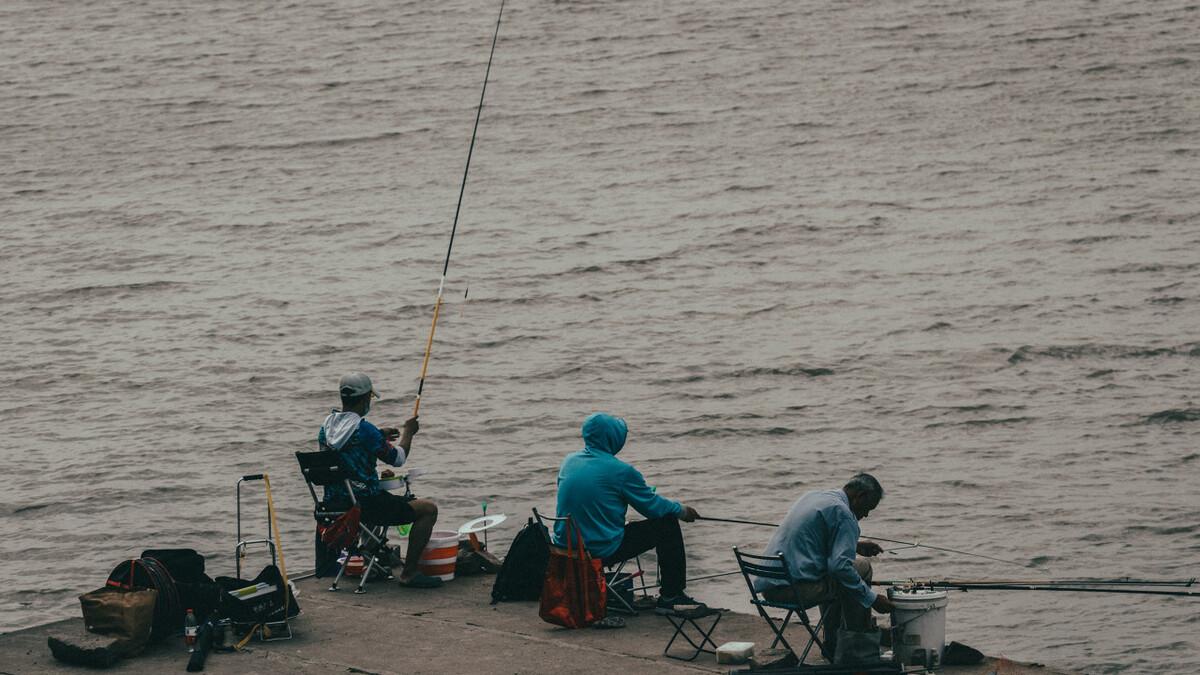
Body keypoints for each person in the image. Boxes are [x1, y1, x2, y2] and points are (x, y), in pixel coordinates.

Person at [554, 412, 704, 614]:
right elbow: (653, 508)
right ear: (612, 438)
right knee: (666, 524)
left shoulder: (569, 461)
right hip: (599, 550)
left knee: (633, 524)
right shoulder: (621, 471)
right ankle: (671, 596)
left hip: (564, 550)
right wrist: (682, 511)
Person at [319, 372, 443, 588]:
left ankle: (371, 562)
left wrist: (379, 434)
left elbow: (348, 448)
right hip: (366, 506)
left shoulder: (326, 428)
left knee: (378, 497)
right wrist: (409, 432)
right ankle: (410, 573)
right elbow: (398, 459)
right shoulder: (364, 429)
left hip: (334, 504)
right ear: (365, 398)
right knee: (428, 509)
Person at [755, 473, 894, 654]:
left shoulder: (814, 496)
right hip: (794, 591)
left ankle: (833, 644)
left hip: (771, 586)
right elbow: (840, 567)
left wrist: (855, 545)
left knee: (838, 576)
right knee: (861, 569)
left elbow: (814, 542)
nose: (866, 514)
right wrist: (872, 599)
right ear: (860, 496)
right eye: (868, 508)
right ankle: (857, 647)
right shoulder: (844, 514)